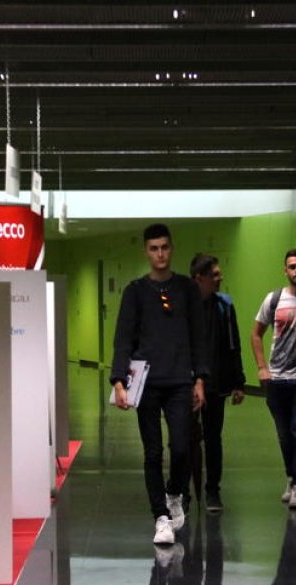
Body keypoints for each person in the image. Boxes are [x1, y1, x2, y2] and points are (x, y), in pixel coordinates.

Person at [111, 223, 209, 546]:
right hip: (146, 381)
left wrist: (200, 379)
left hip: (181, 379)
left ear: (172, 248)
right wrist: (118, 380)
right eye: (154, 248)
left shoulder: (186, 289)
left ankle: (175, 494)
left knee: (182, 447)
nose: (160, 254)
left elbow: (198, 336)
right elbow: (123, 338)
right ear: (146, 251)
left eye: (165, 247)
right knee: (152, 452)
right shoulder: (135, 291)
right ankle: (161, 517)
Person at [251, 249, 296, 509]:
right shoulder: (274, 299)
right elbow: (256, 334)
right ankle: (291, 477)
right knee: (284, 435)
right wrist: (261, 367)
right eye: (292, 267)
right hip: (276, 379)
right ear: (285, 271)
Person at [189, 253, 246, 512]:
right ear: (199, 279)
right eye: (215, 275)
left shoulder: (224, 305)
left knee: (213, 438)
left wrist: (238, 381)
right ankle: (183, 494)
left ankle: (213, 491)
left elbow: (234, 344)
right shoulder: (183, 305)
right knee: (186, 440)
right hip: (187, 384)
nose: (220, 278)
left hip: (217, 383)